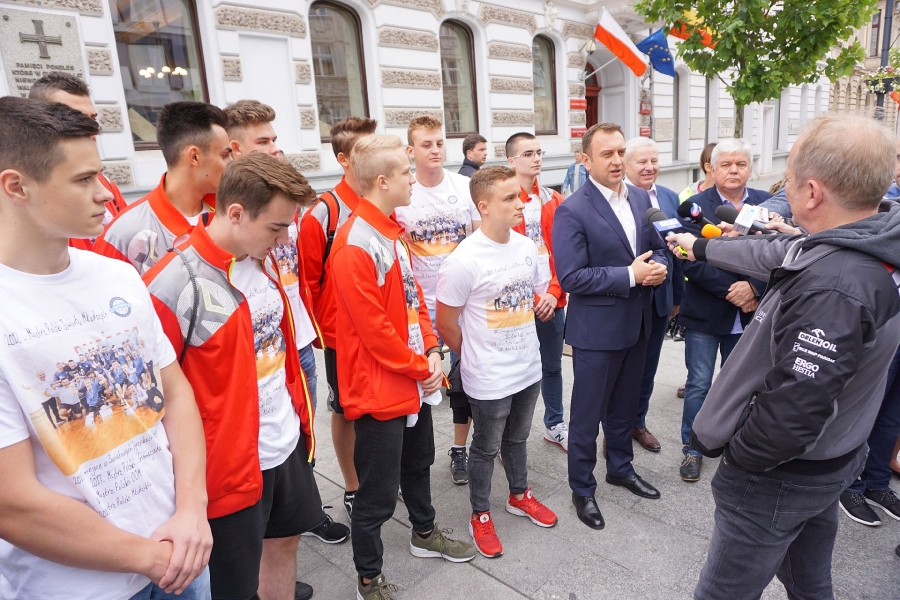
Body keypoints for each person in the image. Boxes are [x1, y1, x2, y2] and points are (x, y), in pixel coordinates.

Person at [665, 113, 900, 600]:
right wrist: (700, 248)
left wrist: (741, 463)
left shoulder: (836, 287)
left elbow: (793, 411)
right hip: (830, 459)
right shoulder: (866, 237)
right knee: (809, 581)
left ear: (812, 192)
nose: (781, 191)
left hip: (781, 476)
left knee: (723, 592)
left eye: (787, 181)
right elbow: (778, 253)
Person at [0, 96, 211, 599]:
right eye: (83, 179)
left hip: (180, 551)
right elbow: (12, 501)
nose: (104, 194)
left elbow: (173, 394)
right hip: (81, 585)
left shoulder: (117, 275)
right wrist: (151, 557)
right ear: (16, 186)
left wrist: (191, 510)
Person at [143, 154, 337, 600]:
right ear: (235, 213)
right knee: (235, 585)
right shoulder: (171, 284)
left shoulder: (259, 256)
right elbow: (155, 399)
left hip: (284, 444)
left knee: (284, 543)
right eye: (276, 227)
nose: (285, 239)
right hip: (227, 470)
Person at [330, 134, 475, 600]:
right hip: (380, 390)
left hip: (412, 379)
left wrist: (432, 349)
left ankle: (424, 533)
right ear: (381, 181)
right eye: (405, 172)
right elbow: (373, 331)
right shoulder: (355, 243)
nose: (413, 179)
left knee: (418, 463)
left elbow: (414, 303)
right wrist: (421, 365)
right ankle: (368, 579)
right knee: (375, 495)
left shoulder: (391, 230)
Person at [436, 166, 558, 558]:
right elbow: (445, 323)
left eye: (519, 195)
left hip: (528, 367)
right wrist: (476, 354)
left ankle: (519, 495)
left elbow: (533, 295)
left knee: (518, 439)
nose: (521, 203)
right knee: (486, 448)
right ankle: (481, 514)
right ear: (484, 206)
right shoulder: (463, 260)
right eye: (509, 197)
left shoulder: (525, 247)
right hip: (488, 376)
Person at [552, 122, 668, 530]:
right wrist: (631, 276)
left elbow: (659, 247)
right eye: (607, 154)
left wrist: (659, 268)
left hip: (638, 325)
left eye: (620, 152)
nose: (617, 160)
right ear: (585, 160)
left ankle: (620, 468)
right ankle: (582, 489)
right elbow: (571, 277)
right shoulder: (571, 210)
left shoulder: (639, 197)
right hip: (597, 333)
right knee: (587, 417)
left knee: (624, 409)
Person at [676, 138, 772, 483]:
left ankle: (733, 444)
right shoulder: (694, 207)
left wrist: (754, 288)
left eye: (741, 164)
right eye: (726, 165)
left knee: (741, 386)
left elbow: (778, 252)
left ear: (750, 168)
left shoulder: (765, 204)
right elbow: (689, 258)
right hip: (707, 311)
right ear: (712, 169)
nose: (734, 170)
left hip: (751, 314)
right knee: (699, 383)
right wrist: (734, 291)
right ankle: (693, 448)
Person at [394, 115, 481, 485]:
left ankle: (460, 449)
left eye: (439, 143)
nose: (435, 150)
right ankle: (408, 462)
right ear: (410, 151)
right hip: (418, 306)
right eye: (426, 144)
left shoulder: (464, 186)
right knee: (417, 383)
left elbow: (480, 243)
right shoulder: (403, 194)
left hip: (461, 302)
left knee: (465, 379)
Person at [299, 116, 377, 517]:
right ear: (344, 159)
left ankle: (379, 475)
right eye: (366, 150)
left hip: (381, 330)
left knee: (379, 409)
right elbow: (308, 283)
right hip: (341, 338)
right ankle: (352, 483)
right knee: (345, 409)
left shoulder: (383, 200)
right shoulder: (323, 213)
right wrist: (325, 333)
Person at [94, 102, 232, 273]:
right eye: (224, 155)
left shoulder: (233, 213)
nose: (231, 163)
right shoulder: (124, 234)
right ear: (194, 156)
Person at [505, 132, 568, 453]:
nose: (537, 158)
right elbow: (502, 258)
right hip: (518, 304)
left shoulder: (553, 199)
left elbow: (565, 252)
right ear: (511, 161)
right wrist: (531, 298)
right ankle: (509, 438)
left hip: (552, 299)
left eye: (539, 152)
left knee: (552, 366)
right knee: (515, 372)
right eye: (528, 153)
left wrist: (553, 293)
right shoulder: (505, 201)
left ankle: (555, 425)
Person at [623, 136, 684, 453]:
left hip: (660, 299)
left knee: (648, 368)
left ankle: (638, 423)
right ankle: (615, 431)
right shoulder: (616, 199)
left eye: (654, 161)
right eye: (642, 161)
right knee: (621, 371)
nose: (649, 167)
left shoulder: (670, 198)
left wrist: (677, 297)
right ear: (626, 165)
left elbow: (679, 252)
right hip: (624, 299)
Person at [28, 71, 128, 249]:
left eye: (93, 120)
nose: (93, 133)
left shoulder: (106, 185)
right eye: (76, 120)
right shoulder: (27, 201)